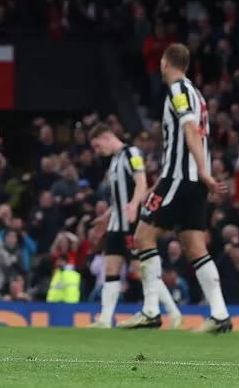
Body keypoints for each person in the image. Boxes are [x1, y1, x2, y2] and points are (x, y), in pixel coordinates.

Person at [119, 44, 232, 333]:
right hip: (191, 182)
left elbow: (190, 129)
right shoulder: (197, 92)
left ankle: (150, 310)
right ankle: (220, 314)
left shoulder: (178, 90)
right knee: (195, 247)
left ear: (165, 63)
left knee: (143, 236)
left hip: (181, 177)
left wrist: (204, 171)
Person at [87, 123, 181, 328]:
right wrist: (106, 216)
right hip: (115, 224)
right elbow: (118, 197)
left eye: (97, 146)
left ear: (105, 137)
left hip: (132, 223)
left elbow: (141, 182)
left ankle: (173, 312)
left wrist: (133, 205)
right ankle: (104, 318)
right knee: (110, 267)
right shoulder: (114, 161)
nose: (97, 151)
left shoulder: (131, 153)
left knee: (140, 270)